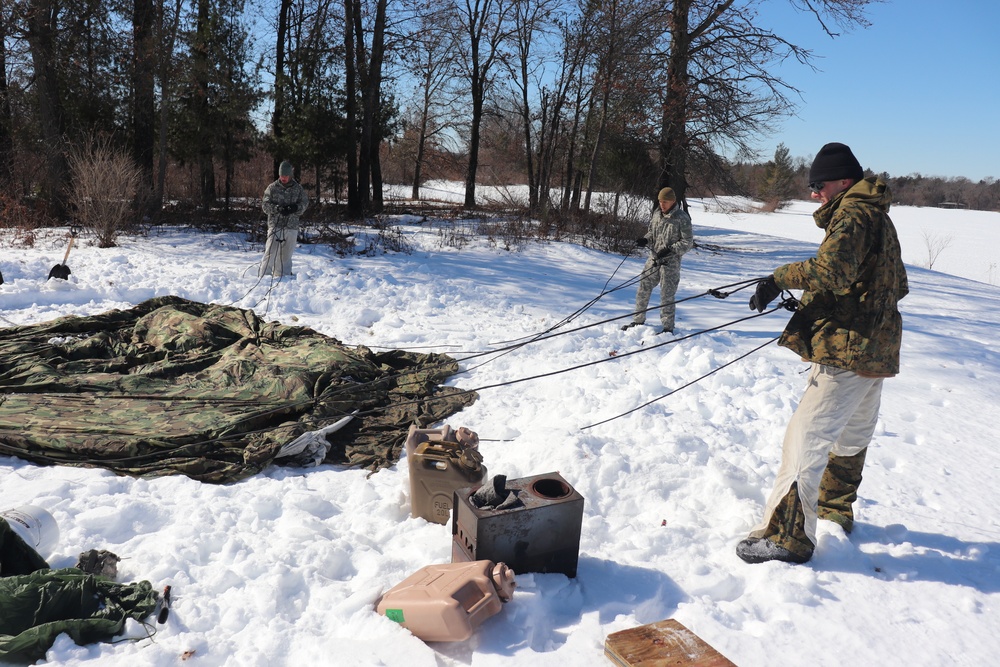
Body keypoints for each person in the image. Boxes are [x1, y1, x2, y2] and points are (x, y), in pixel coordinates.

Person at [736, 142, 909, 564]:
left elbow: (833, 271)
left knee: (804, 439)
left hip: (848, 354)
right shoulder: (878, 216)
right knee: (852, 436)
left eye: (820, 184)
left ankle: (788, 536)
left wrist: (780, 277)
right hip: (876, 349)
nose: (815, 193)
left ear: (844, 182)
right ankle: (835, 509)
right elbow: (891, 285)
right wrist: (823, 300)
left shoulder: (852, 215)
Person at [623, 187, 694, 334]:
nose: (662, 204)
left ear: (673, 201)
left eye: (665, 202)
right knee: (643, 286)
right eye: (660, 201)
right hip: (654, 259)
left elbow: (688, 242)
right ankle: (638, 320)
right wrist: (645, 239)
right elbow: (651, 232)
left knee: (667, 294)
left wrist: (671, 249)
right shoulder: (657, 214)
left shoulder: (682, 218)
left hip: (670, 263)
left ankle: (667, 328)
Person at [259, 160, 309, 278]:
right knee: (271, 252)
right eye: (282, 176)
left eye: (286, 176)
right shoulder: (272, 188)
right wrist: (277, 208)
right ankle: (264, 276)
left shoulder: (298, 189)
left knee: (286, 255)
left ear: (290, 175)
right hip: (275, 225)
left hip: (291, 226)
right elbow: (265, 205)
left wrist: (295, 208)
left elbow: (305, 203)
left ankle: (283, 276)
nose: (283, 178)